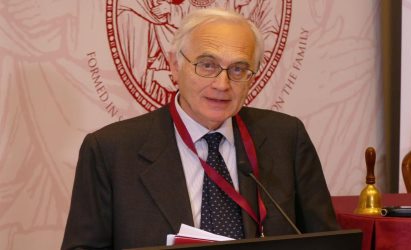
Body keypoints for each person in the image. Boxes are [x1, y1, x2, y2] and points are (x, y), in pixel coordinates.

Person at [61, 8, 339, 250]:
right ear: (174, 66)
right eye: (207, 65)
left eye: (239, 69)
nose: (222, 84)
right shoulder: (111, 150)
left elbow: (327, 242)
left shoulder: (286, 138)